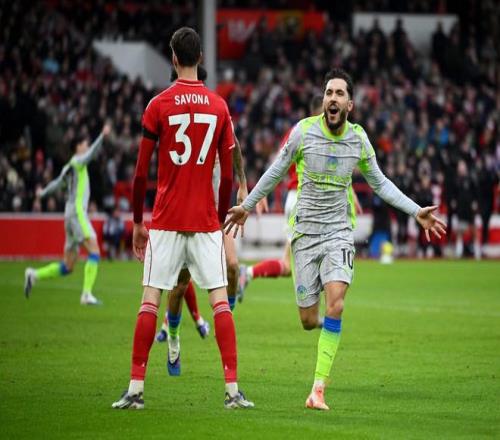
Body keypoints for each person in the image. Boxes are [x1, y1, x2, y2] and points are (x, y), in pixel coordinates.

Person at [225, 68, 446, 410]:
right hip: (304, 235)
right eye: (329, 92)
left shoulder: (358, 139)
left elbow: (380, 182)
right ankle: (324, 329)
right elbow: (276, 171)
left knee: (337, 303)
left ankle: (317, 390)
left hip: (338, 233)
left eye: (339, 93)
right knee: (308, 321)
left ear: (350, 105)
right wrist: (247, 205)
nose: (332, 98)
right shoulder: (303, 132)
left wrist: (415, 210)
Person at [112, 27, 253, 410]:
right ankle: (232, 392)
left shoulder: (157, 105)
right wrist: (219, 218)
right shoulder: (219, 107)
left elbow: (140, 173)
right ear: (200, 58)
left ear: (174, 59)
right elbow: (228, 175)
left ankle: (136, 390)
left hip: (166, 221)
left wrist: (138, 222)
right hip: (205, 222)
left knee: (150, 301)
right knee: (220, 303)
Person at [238, 96, 362, 302]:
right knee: (311, 262)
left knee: (288, 265)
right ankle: (312, 310)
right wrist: (262, 193)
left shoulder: (307, 131)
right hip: (303, 200)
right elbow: (279, 163)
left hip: (303, 200)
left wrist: (351, 191)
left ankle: (248, 273)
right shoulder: (305, 130)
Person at [24, 123, 111, 305]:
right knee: (95, 250)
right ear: (78, 147)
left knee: (68, 266)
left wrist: (42, 194)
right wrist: (102, 136)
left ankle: (34, 274)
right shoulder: (78, 162)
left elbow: (56, 184)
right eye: (85, 143)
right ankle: (86, 294)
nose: (87, 146)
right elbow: (91, 154)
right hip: (77, 213)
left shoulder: (68, 167)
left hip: (69, 215)